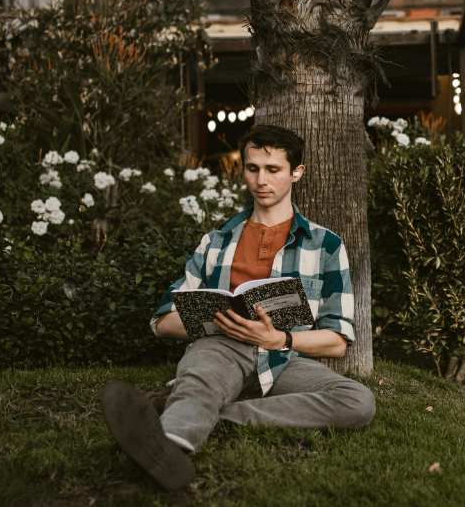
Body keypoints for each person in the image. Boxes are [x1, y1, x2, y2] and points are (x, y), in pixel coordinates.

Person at [100, 124, 375, 490]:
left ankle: (215, 415)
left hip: (283, 359)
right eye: (252, 168)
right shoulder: (216, 241)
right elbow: (162, 320)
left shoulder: (326, 245)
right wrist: (217, 322)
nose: (261, 180)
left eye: (273, 170)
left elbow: (338, 339)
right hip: (220, 346)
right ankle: (171, 448)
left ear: (296, 172)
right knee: (201, 378)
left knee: (357, 401)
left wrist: (280, 339)